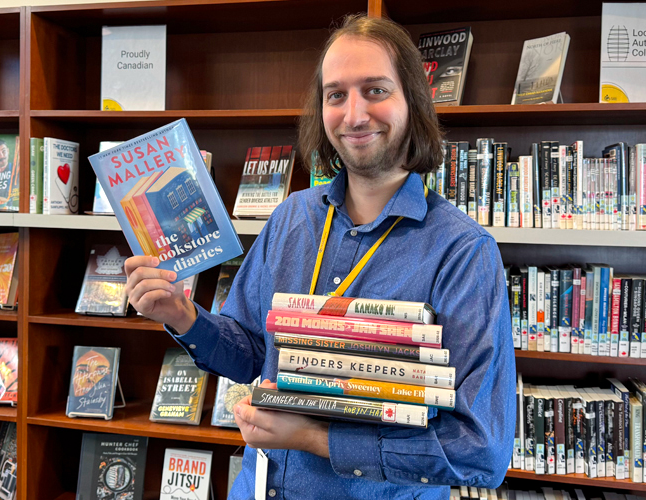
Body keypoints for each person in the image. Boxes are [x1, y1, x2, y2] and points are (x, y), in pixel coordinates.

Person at [125, 14, 515, 499]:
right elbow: (252, 354)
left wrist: (316, 439)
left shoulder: (462, 252)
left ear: (413, 102)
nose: (353, 115)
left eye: (375, 90)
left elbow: (481, 449)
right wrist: (182, 315)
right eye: (336, 95)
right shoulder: (291, 218)